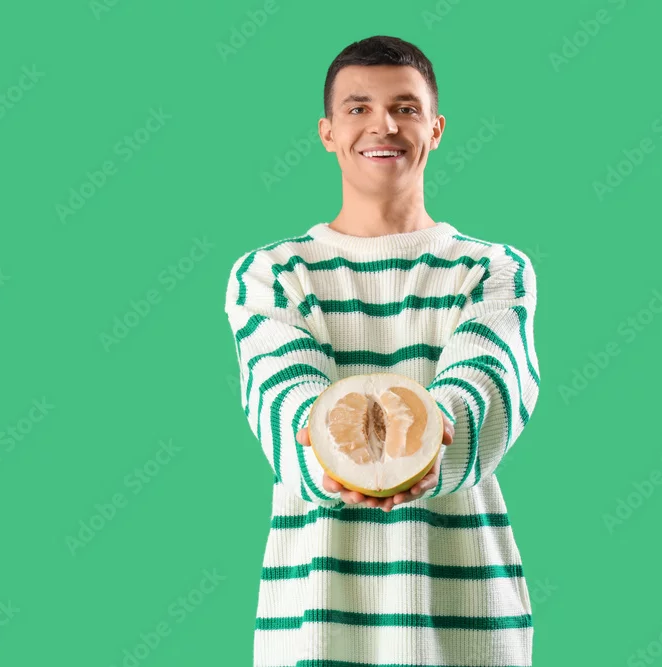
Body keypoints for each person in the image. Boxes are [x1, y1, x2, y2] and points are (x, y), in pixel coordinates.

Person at [224, 34, 540, 667]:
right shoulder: (272, 274)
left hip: (468, 628)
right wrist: (334, 454)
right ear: (327, 132)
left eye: (406, 108)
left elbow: (487, 397)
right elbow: (281, 407)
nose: (384, 125)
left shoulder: (494, 269)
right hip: (312, 627)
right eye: (358, 108)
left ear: (436, 129)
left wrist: (423, 447)